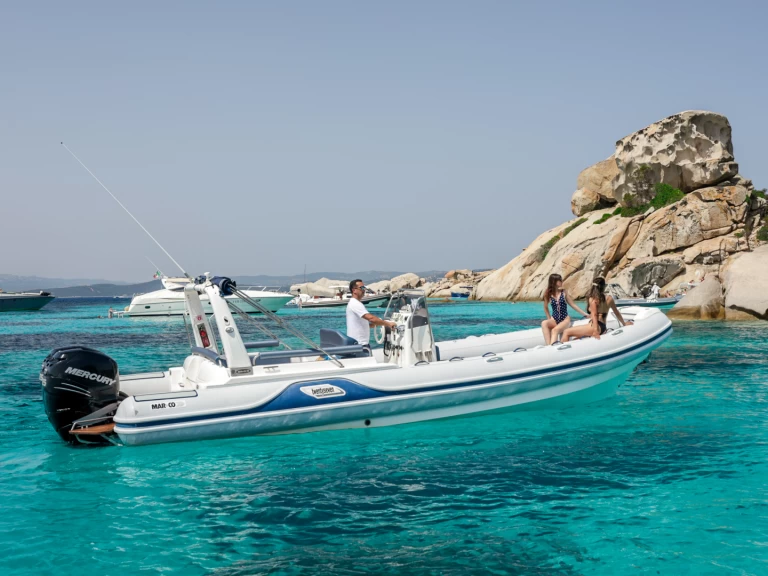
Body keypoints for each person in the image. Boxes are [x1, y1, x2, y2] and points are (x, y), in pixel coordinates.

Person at [562, 277, 633, 342]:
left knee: (566, 332)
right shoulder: (609, 298)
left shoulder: (593, 299)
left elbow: (595, 315)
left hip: (596, 327)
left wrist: (595, 330)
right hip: (603, 326)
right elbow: (616, 312)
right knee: (576, 339)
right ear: (603, 287)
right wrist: (624, 323)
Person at [346, 279, 397, 349]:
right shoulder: (355, 304)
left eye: (364, 288)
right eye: (362, 288)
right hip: (360, 345)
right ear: (354, 290)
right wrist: (389, 324)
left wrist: (370, 325)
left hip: (356, 344)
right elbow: (371, 318)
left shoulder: (353, 303)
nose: (364, 290)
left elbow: (357, 323)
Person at [541, 274, 589, 345]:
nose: (561, 281)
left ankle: (551, 348)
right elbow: (545, 307)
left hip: (565, 320)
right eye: (559, 280)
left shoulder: (564, 292)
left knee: (555, 330)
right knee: (544, 323)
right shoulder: (548, 294)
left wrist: (586, 314)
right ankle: (548, 346)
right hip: (554, 319)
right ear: (554, 282)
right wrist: (549, 319)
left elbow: (573, 305)